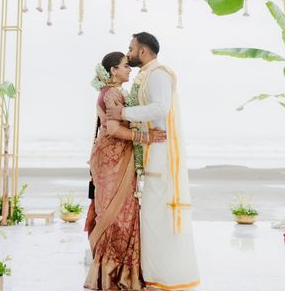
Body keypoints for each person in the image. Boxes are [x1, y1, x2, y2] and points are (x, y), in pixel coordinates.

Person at [107, 33, 200, 290]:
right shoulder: (148, 74)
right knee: (151, 217)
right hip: (150, 150)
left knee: (157, 216)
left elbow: (161, 107)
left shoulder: (159, 73)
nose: (128, 53)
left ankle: (167, 277)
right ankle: (155, 275)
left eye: (131, 48)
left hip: (160, 152)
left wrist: (124, 113)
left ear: (144, 51)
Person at [84, 51, 167, 291]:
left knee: (120, 212)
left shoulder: (110, 92)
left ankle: (113, 274)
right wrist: (146, 137)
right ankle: (113, 275)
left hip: (114, 157)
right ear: (113, 70)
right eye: (124, 66)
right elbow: (111, 129)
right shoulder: (112, 93)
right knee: (118, 215)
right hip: (113, 158)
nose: (129, 69)